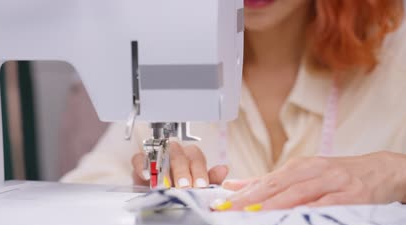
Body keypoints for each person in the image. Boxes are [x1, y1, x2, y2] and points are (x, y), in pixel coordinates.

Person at [62, 0, 406, 211]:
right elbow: (82, 191)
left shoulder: (395, 66)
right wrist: (138, 197)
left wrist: (395, 171)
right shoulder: (174, 70)